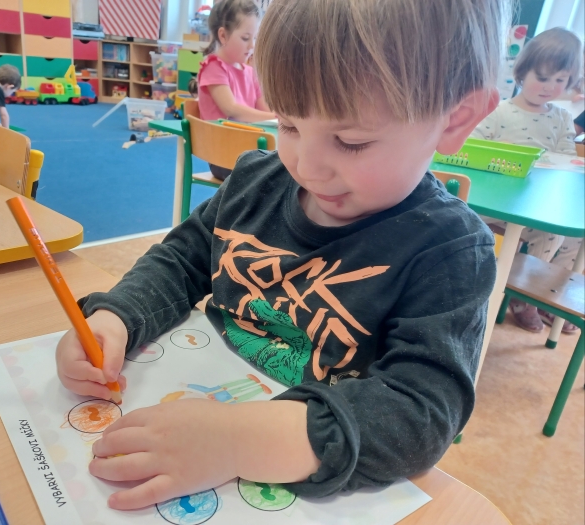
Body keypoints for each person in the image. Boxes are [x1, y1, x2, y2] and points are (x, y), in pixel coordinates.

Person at [56, 0, 507, 510]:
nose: (306, 168)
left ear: (455, 120)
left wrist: (235, 441)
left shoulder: (450, 251)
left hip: (303, 469)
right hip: (194, 394)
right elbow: (181, 261)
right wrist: (116, 317)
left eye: (351, 141)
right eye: (288, 125)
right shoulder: (254, 182)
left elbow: (420, 414)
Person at [472, 28, 583, 334]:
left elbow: (566, 159)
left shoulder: (561, 118)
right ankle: (516, 294)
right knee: (547, 235)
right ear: (522, 72)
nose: (549, 87)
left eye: (560, 80)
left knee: (566, 236)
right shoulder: (499, 112)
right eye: (542, 77)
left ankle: (539, 294)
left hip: (537, 206)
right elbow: (472, 147)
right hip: (496, 207)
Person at [190, 0, 275, 180]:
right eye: (245, 38)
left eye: (255, 38)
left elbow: (266, 109)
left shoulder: (250, 72)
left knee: (286, 169)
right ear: (223, 35)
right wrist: (276, 117)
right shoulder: (213, 67)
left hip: (250, 150)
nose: (252, 46)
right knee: (273, 176)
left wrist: (279, 116)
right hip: (223, 155)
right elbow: (231, 109)